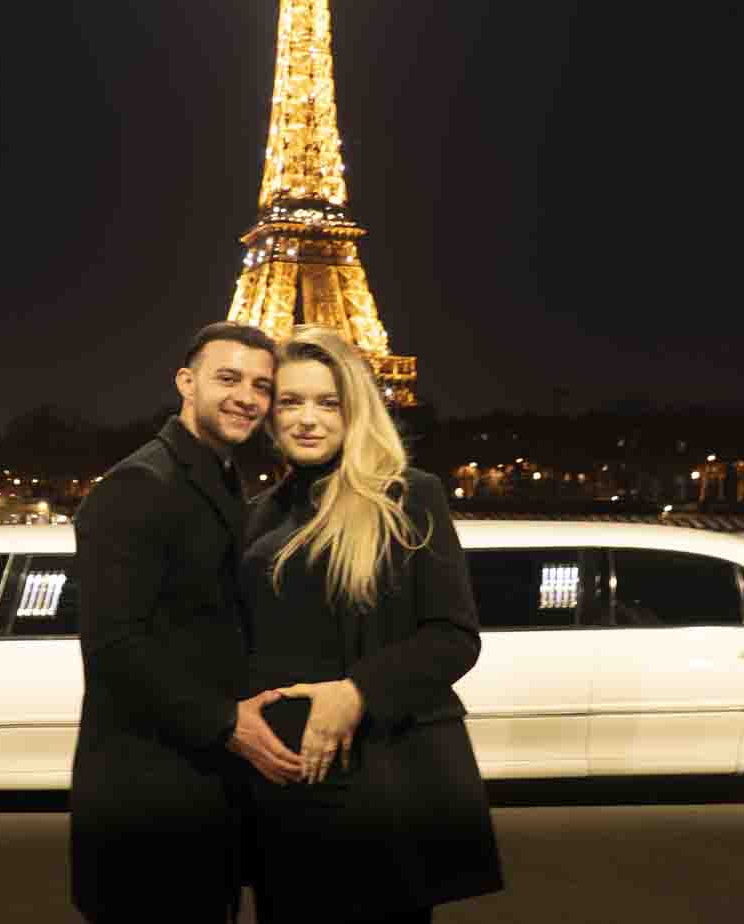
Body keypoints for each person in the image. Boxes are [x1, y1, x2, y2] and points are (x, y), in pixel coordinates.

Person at [240, 326, 504, 923]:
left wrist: (358, 691)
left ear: (355, 409)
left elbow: (453, 635)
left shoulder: (407, 497)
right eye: (291, 402)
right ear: (271, 414)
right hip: (283, 785)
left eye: (328, 403)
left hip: (381, 780)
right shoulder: (258, 514)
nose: (308, 419)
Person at [70, 322, 304, 924]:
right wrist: (227, 723)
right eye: (228, 378)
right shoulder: (137, 485)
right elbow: (113, 645)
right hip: (149, 796)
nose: (246, 397)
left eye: (261, 385)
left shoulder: (217, 476)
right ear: (186, 382)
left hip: (195, 787)